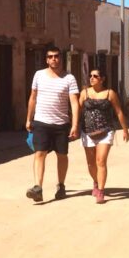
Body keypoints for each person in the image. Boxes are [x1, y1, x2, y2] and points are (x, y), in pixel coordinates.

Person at [25, 45, 79, 202]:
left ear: (61, 58)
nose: (53, 59)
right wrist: (29, 118)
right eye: (50, 56)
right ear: (46, 59)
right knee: (39, 153)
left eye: (56, 56)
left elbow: (74, 103)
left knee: (62, 156)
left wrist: (74, 124)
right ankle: (38, 187)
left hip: (61, 124)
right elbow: (33, 97)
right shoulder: (39, 75)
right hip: (41, 122)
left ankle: (61, 185)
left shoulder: (69, 78)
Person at [79, 69, 129, 203]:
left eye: (95, 76)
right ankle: (96, 181)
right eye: (90, 76)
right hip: (87, 132)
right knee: (91, 163)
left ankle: (101, 191)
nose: (92, 78)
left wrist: (125, 129)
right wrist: (72, 127)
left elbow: (119, 112)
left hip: (106, 131)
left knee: (100, 161)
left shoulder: (110, 93)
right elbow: (77, 110)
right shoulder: (84, 93)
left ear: (102, 79)